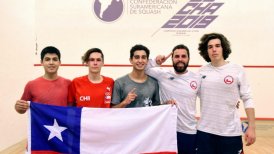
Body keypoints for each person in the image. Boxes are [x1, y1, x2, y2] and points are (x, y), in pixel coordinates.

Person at [196, 33, 256, 154]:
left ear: (223, 48)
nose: (214, 49)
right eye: (210, 47)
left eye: (217, 45)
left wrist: (252, 127)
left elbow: (247, 98)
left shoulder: (237, 69)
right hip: (205, 132)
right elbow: (190, 93)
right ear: (206, 51)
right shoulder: (201, 72)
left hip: (231, 133)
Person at [145, 44, 201, 154]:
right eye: (177, 56)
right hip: (167, 130)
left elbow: (208, 97)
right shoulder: (163, 74)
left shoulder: (197, 78)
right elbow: (143, 68)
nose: (180, 59)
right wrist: (156, 62)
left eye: (183, 56)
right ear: (172, 59)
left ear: (188, 59)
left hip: (189, 131)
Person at [15, 46, 71, 114]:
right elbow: (22, 110)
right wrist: (18, 107)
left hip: (63, 124)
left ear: (60, 62)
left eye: (55, 59)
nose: (51, 62)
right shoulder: (31, 85)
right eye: (47, 59)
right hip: (39, 125)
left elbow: (73, 108)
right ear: (42, 62)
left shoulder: (68, 84)